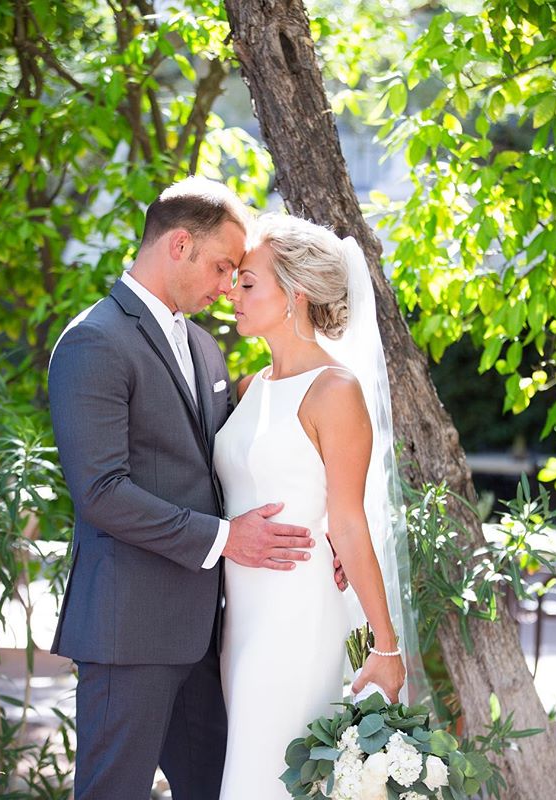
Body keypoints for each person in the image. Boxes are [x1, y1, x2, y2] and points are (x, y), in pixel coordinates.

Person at [48, 178, 322, 800]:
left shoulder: (204, 347)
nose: (229, 284)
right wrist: (226, 540)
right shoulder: (92, 342)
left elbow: (225, 467)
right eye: (224, 265)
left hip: (208, 631)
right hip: (130, 631)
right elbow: (102, 491)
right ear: (178, 244)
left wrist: (322, 532)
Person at [214, 213, 406, 799]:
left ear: (295, 296)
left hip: (300, 615)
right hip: (239, 616)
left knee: (269, 775)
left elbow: (347, 519)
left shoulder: (335, 390)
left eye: (248, 283)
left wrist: (387, 646)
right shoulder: (247, 388)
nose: (232, 293)